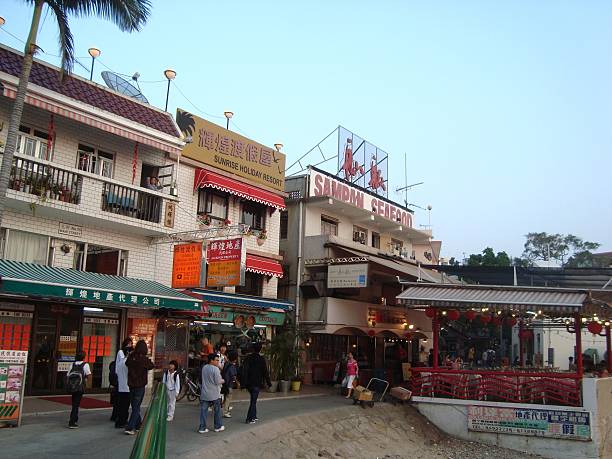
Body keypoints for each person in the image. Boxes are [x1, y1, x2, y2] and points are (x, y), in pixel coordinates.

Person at [124, 340, 154, 435]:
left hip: (131, 384)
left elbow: (126, 364)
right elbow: (151, 366)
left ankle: (138, 425)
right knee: (136, 406)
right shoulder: (143, 359)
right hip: (140, 385)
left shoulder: (131, 357)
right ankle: (130, 427)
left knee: (134, 405)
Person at [239, 342, 271, 424]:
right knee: (253, 401)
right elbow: (265, 372)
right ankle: (249, 418)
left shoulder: (248, 358)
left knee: (253, 399)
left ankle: (254, 416)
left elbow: (244, 370)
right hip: (257, 383)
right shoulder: (261, 359)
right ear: (260, 349)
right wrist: (268, 383)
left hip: (249, 383)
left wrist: (243, 383)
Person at [199, 353, 225, 433]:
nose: (218, 362)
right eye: (216, 360)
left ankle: (202, 428)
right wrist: (223, 380)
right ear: (211, 360)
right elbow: (218, 382)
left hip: (205, 393)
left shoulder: (204, 367)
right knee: (217, 410)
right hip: (214, 394)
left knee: (203, 411)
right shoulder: (215, 369)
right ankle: (217, 426)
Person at [66, 350, 91, 429]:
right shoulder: (85, 365)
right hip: (80, 386)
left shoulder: (72, 364)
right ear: (84, 357)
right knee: (76, 404)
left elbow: (68, 375)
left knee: (74, 403)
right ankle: (72, 421)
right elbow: (89, 375)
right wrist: (87, 384)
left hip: (72, 386)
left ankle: (74, 419)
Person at [114, 338, 133, 429]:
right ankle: (122, 421)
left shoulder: (121, 363)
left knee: (121, 404)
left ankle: (119, 420)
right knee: (125, 405)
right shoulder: (125, 361)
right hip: (126, 386)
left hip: (122, 385)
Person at [221, 350, 238, 418]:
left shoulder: (226, 363)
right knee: (228, 398)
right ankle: (225, 412)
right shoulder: (232, 366)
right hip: (229, 385)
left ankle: (225, 409)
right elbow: (233, 376)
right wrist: (237, 383)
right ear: (235, 359)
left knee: (225, 397)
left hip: (224, 383)